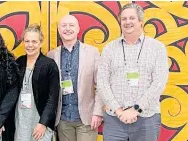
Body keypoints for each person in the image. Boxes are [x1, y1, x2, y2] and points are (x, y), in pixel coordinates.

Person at [97, 3, 169, 141]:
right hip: (114, 120)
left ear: (140, 22)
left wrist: (136, 109)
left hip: (147, 119)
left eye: (132, 18)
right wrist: (118, 110)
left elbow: (159, 82)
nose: (127, 22)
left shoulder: (157, 48)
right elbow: (102, 82)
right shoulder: (109, 49)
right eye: (124, 19)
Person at [47, 15, 103, 141]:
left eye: (71, 25)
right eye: (64, 25)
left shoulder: (92, 52)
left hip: (87, 119)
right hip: (62, 120)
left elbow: (101, 85)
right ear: (59, 30)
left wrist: (98, 112)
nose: (67, 29)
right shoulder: (51, 55)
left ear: (78, 29)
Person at [15, 24, 60, 141]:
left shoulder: (49, 65)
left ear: (40, 43)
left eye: (34, 41)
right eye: (27, 41)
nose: (30, 45)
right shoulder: (19, 63)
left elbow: (53, 98)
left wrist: (43, 123)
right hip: (20, 121)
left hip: (39, 123)